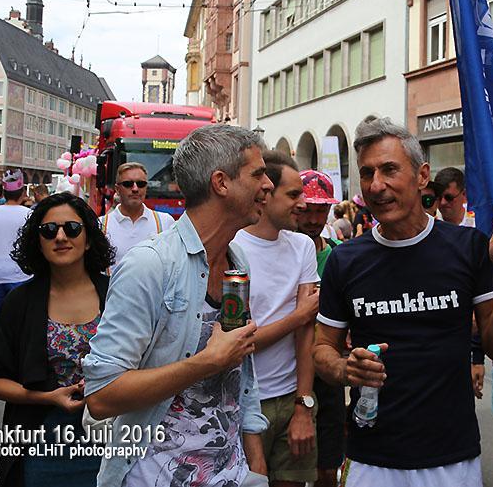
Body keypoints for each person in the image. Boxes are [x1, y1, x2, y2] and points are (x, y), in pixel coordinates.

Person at [313, 118, 493, 487]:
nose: (376, 185)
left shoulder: (468, 248)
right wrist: (347, 369)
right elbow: (322, 349)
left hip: (451, 457)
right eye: (367, 173)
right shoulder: (346, 260)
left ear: (422, 175)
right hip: (371, 457)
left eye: (389, 169)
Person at [83, 124, 271, 487]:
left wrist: (256, 463)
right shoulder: (149, 265)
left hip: (231, 473)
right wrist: (207, 362)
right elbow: (102, 396)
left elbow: (241, 378)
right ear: (221, 183)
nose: (268, 185)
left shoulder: (238, 262)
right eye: (258, 174)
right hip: (154, 476)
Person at [0, 192, 113, 486]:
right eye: (49, 230)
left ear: (88, 239)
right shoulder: (20, 301)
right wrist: (46, 398)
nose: (61, 237)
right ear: (38, 242)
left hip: (115, 441)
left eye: (72, 229)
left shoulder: (116, 293)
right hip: (42, 441)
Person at [234, 153, 320, 487]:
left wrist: (303, 406)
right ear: (266, 192)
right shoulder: (232, 247)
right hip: (244, 401)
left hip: (292, 398)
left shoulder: (302, 247)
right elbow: (239, 343)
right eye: (294, 194)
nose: (303, 203)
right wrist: (296, 316)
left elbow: (306, 334)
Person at [296, 169, 345, 487]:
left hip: (327, 371)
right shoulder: (281, 251)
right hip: (288, 372)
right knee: (293, 468)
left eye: (321, 210)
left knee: (328, 467)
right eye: (307, 209)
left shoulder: (340, 255)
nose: (314, 218)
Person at [0, 170, 33, 316]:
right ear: (22, 193)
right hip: (20, 274)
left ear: (3, 192)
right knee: (19, 318)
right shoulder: (29, 214)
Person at [102, 162, 175, 266]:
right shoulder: (102, 225)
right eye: (128, 184)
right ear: (117, 189)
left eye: (141, 184)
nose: (135, 189)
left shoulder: (165, 222)